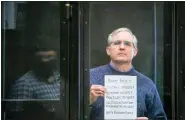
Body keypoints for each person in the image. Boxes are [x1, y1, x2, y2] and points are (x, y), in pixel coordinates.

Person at [90, 27, 167, 120]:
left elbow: (160, 117)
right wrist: (87, 101)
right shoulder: (89, 77)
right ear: (108, 50)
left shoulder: (147, 84)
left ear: (135, 52)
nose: (122, 47)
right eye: (117, 43)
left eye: (127, 44)